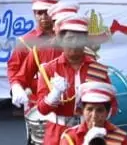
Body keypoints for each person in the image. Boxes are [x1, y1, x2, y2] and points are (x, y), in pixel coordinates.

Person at [31, 16, 109, 145]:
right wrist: (54, 95)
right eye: (70, 39)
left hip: (89, 132)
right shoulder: (49, 69)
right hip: (57, 132)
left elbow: (113, 105)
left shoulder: (98, 69)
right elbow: (42, 109)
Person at [58, 81, 127, 145]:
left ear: (108, 112)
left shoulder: (119, 136)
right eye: (89, 109)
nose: (94, 116)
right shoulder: (70, 136)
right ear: (83, 110)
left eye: (100, 110)